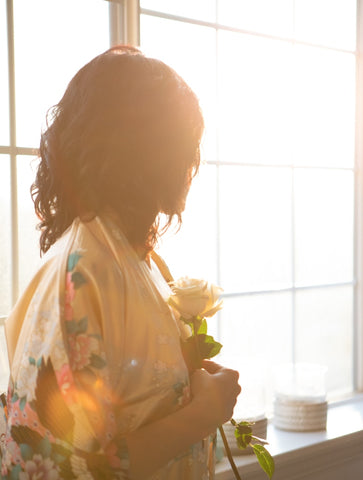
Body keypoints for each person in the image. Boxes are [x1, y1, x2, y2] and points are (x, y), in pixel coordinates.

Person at [0, 45, 241, 480]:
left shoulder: (133, 258)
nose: (192, 164)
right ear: (148, 150)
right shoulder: (80, 275)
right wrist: (204, 413)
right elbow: (64, 469)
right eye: (186, 145)